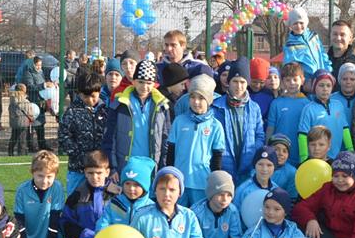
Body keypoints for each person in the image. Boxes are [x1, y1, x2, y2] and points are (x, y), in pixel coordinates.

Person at [102, 59, 171, 179]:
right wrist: (112, 167)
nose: (144, 87)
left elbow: (165, 139)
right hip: (125, 166)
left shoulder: (162, 106)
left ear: (154, 84)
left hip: (150, 168)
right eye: (141, 82)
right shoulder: (119, 103)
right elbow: (109, 137)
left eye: (149, 83)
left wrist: (163, 167)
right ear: (133, 82)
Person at [167, 74, 225, 206]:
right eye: (192, 97)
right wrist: (170, 176)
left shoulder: (215, 126)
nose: (196, 102)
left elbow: (217, 160)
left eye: (201, 98)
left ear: (209, 100)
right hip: (179, 182)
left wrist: (214, 182)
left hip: (201, 183)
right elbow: (171, 152)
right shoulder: (179, 121)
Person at [14, 151, 65, 238]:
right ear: (32, 172)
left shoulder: (57, 188)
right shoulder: (22, 190)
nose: (44, 180)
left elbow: (55, 220)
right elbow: (19, 222)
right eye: (40, 176)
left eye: (49, 176)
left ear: (55, 175)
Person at [61, 150, 114, 238]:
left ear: (107, 172)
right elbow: (66, 221)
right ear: (85, 173)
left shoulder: (117, 194)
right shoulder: (77, 195)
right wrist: (82, 234)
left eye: (99, 173)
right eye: (90, 173)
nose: (95, 177)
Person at [213, 58, 265, 181]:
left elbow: (259, 135)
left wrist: (253, 151)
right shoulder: (216, 107)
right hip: (224, 165)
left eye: (242, 82)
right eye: (235, 81)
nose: (238, 86)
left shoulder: (254, 108)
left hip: (247, 165)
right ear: (229, 82)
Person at [58, 73, 108, 194]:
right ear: (79, 93)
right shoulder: (72, 112)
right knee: (75, 202)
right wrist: (80, 155)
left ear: (99, 91)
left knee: (100, 202)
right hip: (77, 169)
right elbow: (63, 136)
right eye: (85, 96)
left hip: (99, 170)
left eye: (93, 96)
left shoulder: (106, 111)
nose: (90, 100)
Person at [298, 70, 352, 163]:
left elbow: (345, 128)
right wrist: (304, 159)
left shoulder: (338, 105)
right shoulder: (308, 109)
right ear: (314, 87)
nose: (325, 89)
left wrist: (350, 150)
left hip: (336, 158)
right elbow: (302, 135)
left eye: (328, 85)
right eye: (321, 85)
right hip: (317, 159)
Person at [191, 171, 244, 238]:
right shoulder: (196, 212)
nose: (225, 199)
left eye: (229, 195)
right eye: (221, 194)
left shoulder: (232, 211)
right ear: (211, 194)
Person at [266, 62, 310, 153]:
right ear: (282, 81)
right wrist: (268, 148)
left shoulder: (308, 104)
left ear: (302, 80)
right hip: (279, 153)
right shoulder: (276, 103)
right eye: (288, 80)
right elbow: (270, 129)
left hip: (301, 153)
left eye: (295, 79)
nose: (292, 83)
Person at [283, 7, 330, 76]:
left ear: (306, 22)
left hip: (321, 76)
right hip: (307, 81)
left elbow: (323, 54)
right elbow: (290, 66)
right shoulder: (290, 45)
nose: (298, 26)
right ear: (290, 26)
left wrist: (328, 70)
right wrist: (303, 79)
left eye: (301, 23)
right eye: (295, 23)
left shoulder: (314, 37)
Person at [328, 20, 355, 92]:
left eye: (342, 35)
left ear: (350, 37)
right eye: (335, 34)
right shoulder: (322, 62)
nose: (338, 38)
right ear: (330, 36)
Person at [21, 56, 51, 150]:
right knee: (32, 125)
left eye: (40, 65)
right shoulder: (28, 73)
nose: (39, 67)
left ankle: (42, 144)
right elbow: (30, 86)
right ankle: (30, 145)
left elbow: (42, 84)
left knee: (41, 124)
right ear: (33, 64)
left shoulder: (41, 72)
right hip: (33, 101)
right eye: (37, 65)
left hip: (41, 101)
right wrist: (43, 85)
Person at [8, 84, 34, 156]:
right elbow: (29, 112)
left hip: (14, 122)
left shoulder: (12, 100)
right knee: (22, 138)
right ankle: (21, 152)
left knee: (14, 137)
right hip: (23, 122)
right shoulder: (25, 101)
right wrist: (31, 118)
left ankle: (10, 151)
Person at [248, 57, 274, 123]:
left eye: (262, 82)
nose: (257, 85)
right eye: (254, 82)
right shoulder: (243, 92)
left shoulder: (268, 95)